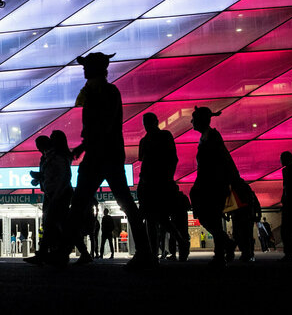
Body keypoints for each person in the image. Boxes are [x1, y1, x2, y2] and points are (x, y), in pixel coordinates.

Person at [46, 52, 155, 269]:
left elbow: (104, 126)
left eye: (87, 66)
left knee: (108, 203)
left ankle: (144, 252)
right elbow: (98, 128)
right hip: (102, 155)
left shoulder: (107, 92)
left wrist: (85, 146)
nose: (84, 69)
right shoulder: (95, 92)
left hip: (104, 156)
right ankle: (144, 253)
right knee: (86, 203)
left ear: (97, 69)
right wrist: (84, 147)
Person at [189, 106, 246, 266]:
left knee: (210, 217)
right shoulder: (207, 137)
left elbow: (220, 162)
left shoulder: (212, 137)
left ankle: (221, 251)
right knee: (208, 217)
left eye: (194, 118)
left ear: (200, 120)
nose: (191, 121)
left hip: (213, 185)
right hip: (208, 185)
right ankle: (224, 246)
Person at [136, 112, 190, 263]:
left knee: (157, 218)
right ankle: (158, 251)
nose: (146, 125)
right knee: (155, 218)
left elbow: (148, 162)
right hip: (154, 182)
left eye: (148, 122)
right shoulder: (159, 137)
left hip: (156, 182)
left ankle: (158, 251)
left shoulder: (150, 139)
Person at [26, 131, 76, 265]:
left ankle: (51, 253)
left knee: (52, 223)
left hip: (57, 194)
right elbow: (51, 174)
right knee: (55, 223)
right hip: (52, 193)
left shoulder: (57, 156)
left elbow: (64, 176)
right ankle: (55, 253)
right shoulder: (51, 156)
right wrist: (39, 178)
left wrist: (57, 193)